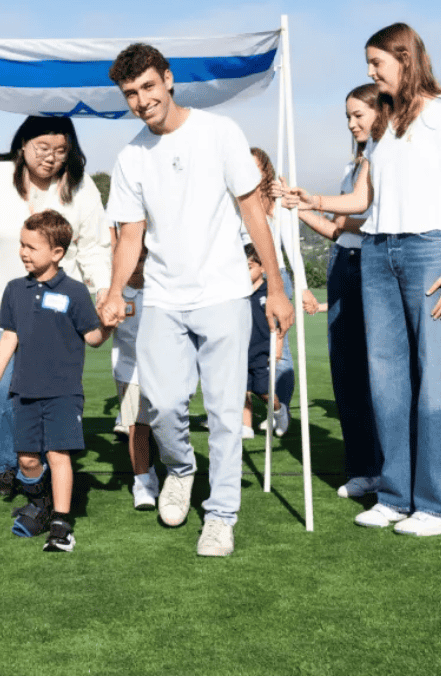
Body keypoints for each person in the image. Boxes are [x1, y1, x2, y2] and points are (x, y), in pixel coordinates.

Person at [100, 43, 293, 558]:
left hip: (226, 294)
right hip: (162, 299)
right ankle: (181, 470)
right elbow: (130, 235)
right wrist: (115, 292)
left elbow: (253, 213)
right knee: (161, 405)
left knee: (226, 413)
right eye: (130, 93)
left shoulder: (220, 132)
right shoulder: (131, 156)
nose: (141, 100)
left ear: (167, 79)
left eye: (147, 86)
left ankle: (221, 516)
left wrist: (276, 287)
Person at [288, 22, 441, 537]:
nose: (371, 72)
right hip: (376, 253)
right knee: (387, 383)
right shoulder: (384, 125)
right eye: (369, 64)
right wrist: (312, 199)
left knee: (437, 381)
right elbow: (363, 199)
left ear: (405, 58)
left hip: (429, 251)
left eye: (377, 63)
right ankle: (395, 496)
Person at [0, 116, 110, 498]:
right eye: (43, 148)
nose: (51, 158)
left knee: (48, 396)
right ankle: (6, 465)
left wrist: (103, 288)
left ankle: (45, 467)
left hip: (55, 316)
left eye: (61, 151)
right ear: (22, 144)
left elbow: (94, 246)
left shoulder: (80, 187)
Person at [0, 210, 112, 552]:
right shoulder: (14, 290)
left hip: (63, 393)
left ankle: (61, 525)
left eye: (31, 247)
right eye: (21, 244)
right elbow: (9, 336)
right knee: (27, 460)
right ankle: (40, 505)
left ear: (57, 253)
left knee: (57, 454)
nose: (23, 252)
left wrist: (109, 325)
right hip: (23, 391)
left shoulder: (75, 292)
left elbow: (93, 338)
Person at [276, 85, 383, 498]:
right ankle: (363, 468)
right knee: (347, 371)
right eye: (348, 117)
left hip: (369, 264)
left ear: (380, 112)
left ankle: (383, 468)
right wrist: (300, 207)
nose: (352, 124)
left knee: (373, 373)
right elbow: (339, 230)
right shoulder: (354, 164)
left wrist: (317, 201)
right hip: (344, 263)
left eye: (359, 115)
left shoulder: (383, 160)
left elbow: (361, 213)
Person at [247, 147, 318, 439]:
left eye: (255, 167)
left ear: (266, 170)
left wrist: (302, 288)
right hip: (245, 277)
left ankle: (281, 407)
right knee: (248, 344)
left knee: (279, 347)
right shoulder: (237, 198)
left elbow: (291, 247)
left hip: (275, 277)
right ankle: (245, 414)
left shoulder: (276, 201)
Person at [109, 227, 161, 510]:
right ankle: (142, 481)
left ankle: (169, 470)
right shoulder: (114, 294)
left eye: (142, 260)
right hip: (129, 370)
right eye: (132, 260)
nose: (137, 266)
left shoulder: (161, 291)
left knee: (164, 425)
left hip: (163, 369)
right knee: (136, 427)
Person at [240, 244, 294, 443]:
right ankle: (246, 426)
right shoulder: (240, 293)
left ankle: (280, 413)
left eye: (249, 267)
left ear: (262, 267)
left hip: (262, 351)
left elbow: (280, 326)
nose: (244, 272)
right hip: (242, 349)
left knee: (262, 390)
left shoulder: (269, 293)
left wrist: (277, 348)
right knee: (242, 390)